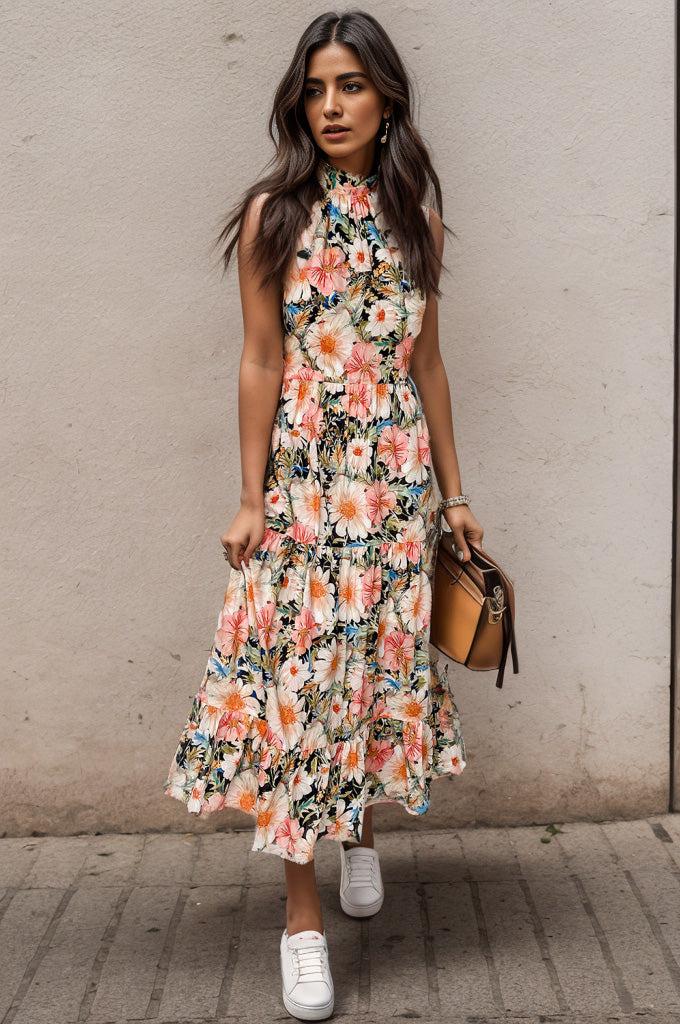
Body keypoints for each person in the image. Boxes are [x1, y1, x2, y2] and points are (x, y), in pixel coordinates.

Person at [164, 9, 484, 1021]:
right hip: (304, 495)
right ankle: (300, 921)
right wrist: (250, 495)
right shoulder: (273, 216)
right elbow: (260, 360)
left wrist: (456, 495)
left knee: (370, 677)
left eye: (349, 85)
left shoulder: (415, 225)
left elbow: (424, 363)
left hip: (390, 499)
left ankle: (362, 830)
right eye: (315, 88)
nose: (331, 105)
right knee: (297, 697)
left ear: (386, 98)